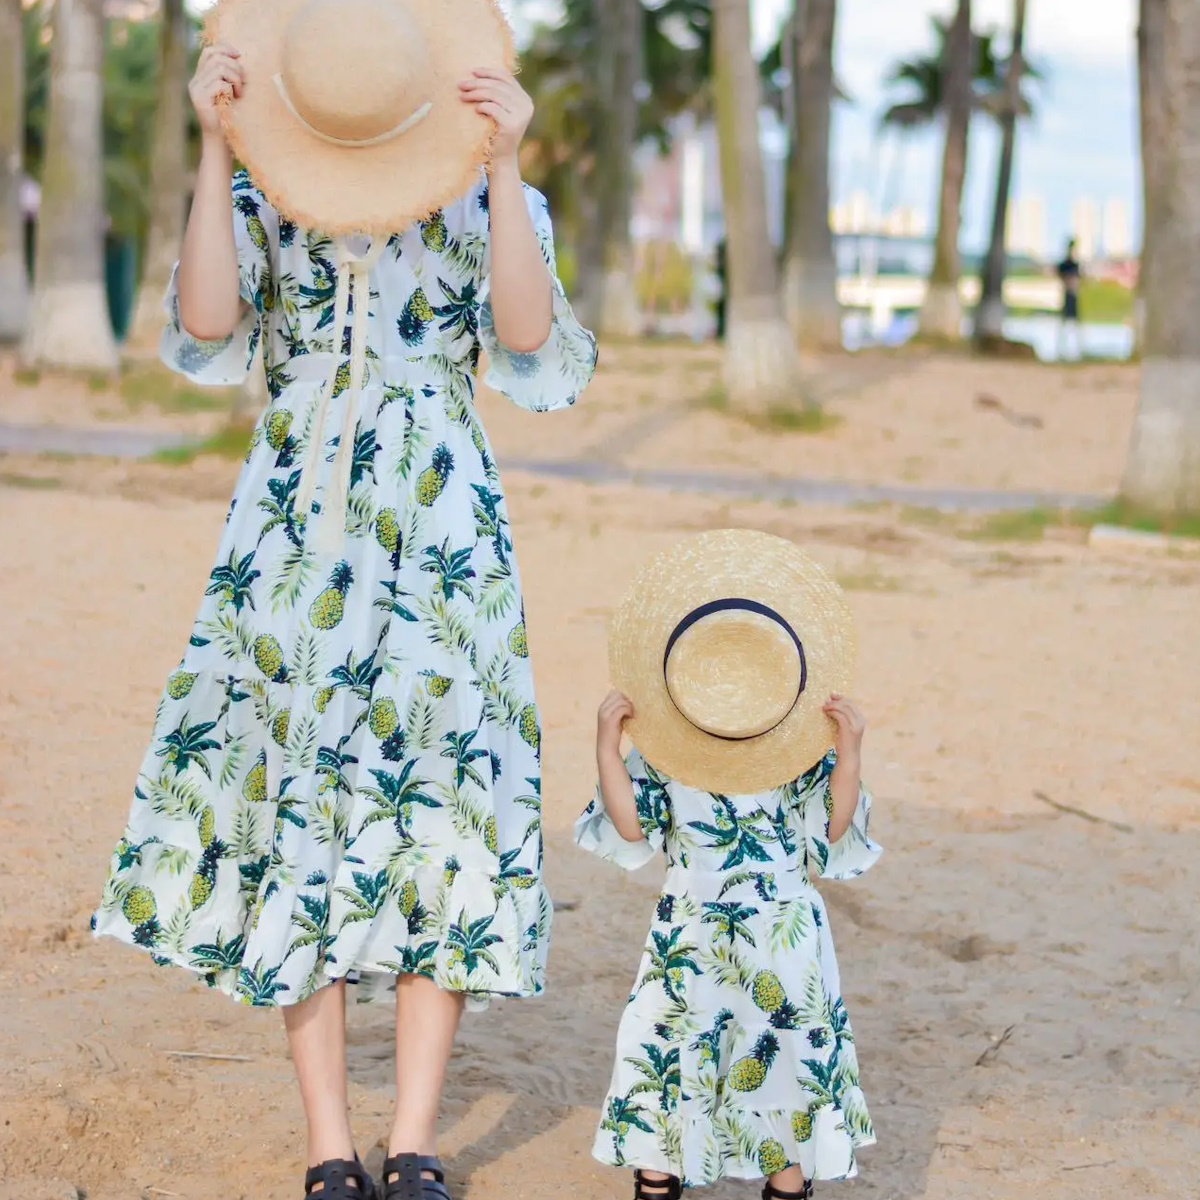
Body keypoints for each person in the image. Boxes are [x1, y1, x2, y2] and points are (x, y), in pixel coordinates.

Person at [91, 1, 597, 1198]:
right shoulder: (264, 188)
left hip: (439, 523)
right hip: (293, 523)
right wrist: (216, 147)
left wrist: (511, 157)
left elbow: (525, 343)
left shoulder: (490, 194)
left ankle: (414, 1137)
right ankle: (329, 1140)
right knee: (294, 805)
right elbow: (209, 325)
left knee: (445, 803)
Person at [575, 530, 881, 1199]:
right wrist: (608, 747)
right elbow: (630, 828)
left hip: (783, 937)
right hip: (690, 932)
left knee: (780, 1059)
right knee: (668, 1051)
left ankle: (782, 1181)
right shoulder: (666, 758)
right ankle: (661, 1177)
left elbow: (832, 834)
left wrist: (850, 755)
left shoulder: (803, 757)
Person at [1057, 238, 1083, 361]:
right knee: (1064, 324)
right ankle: (1061, 351)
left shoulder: (1076, 265)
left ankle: (1077, 351)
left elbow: (1081, 279)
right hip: (1066, 296)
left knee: (1075, 325)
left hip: (1074, 296)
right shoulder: (1065, 264)